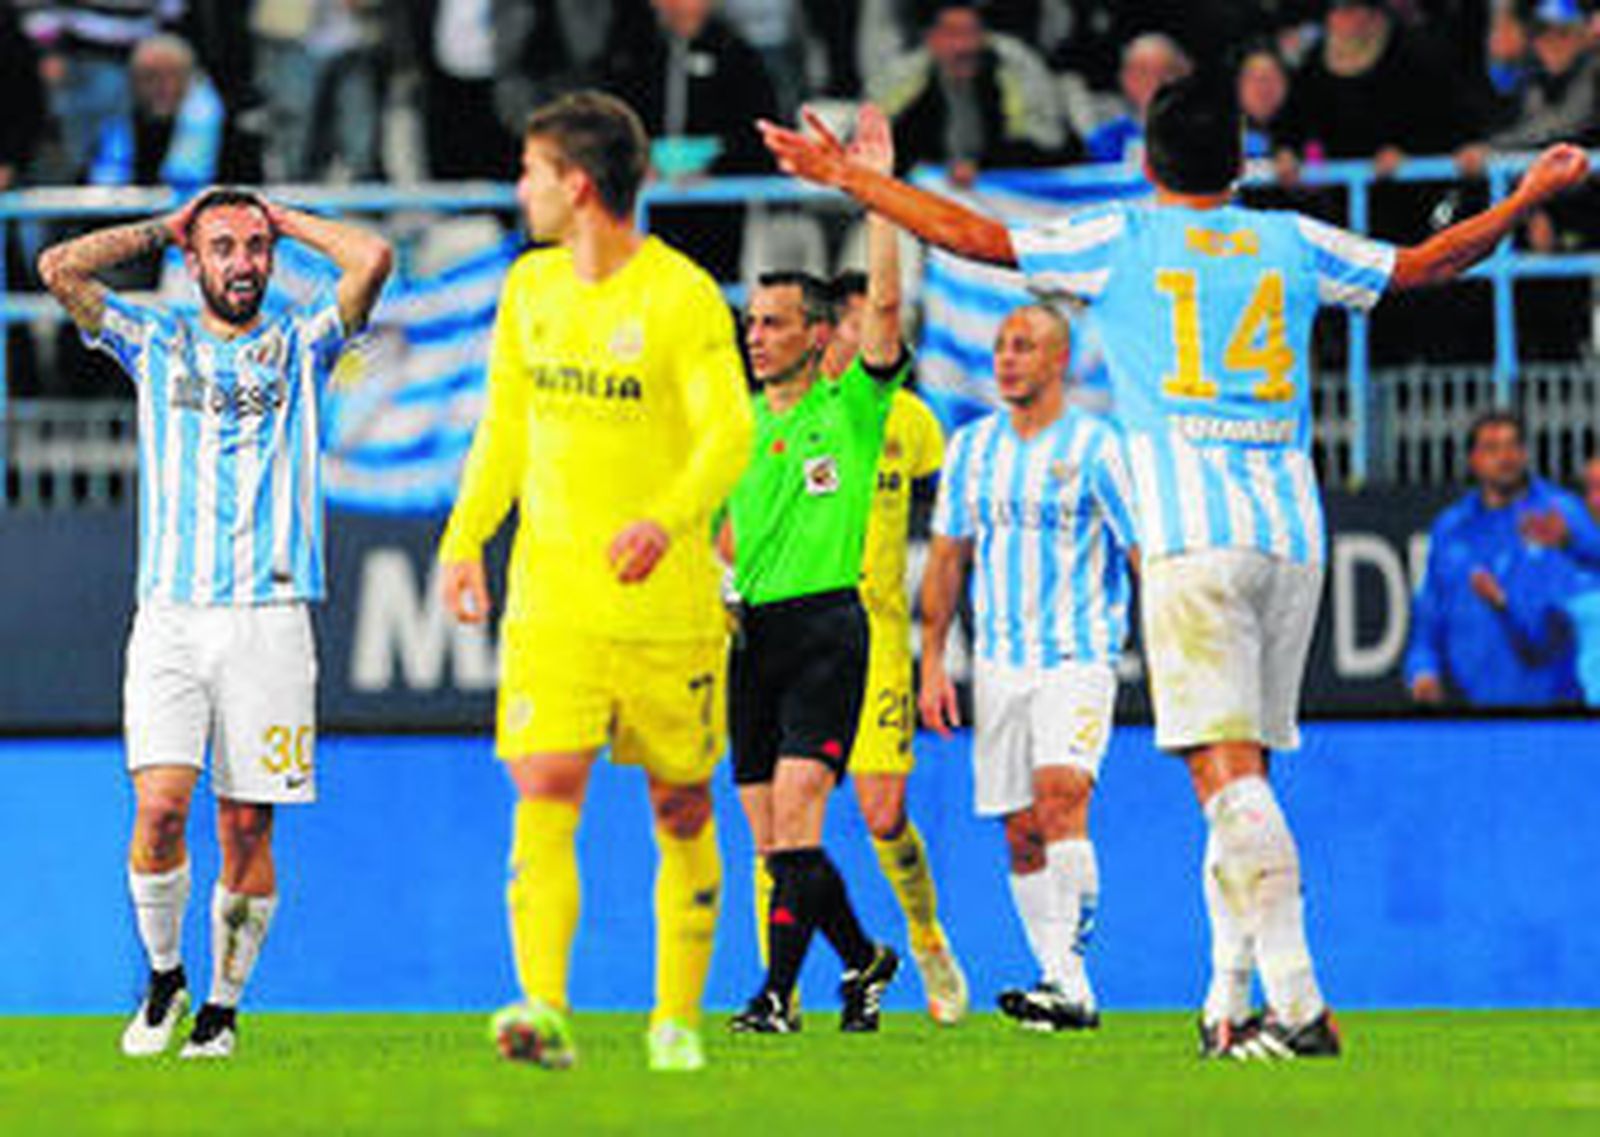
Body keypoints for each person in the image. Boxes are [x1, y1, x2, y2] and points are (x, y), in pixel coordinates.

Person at [760, 76, 1591, 1059]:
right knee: (1248, 780)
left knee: (1225, 777)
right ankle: (1226, 1003)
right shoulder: (1292, 240)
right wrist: (1527, 195)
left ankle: (1296, 999)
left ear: (1148, 164)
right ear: (1239, 163)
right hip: (1291, 537)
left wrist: (859, 185)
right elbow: (1429, 262)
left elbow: (975, 237)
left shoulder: (1125, 239)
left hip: (1193, 544)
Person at [36, 186, 393, 1058]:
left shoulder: (301, 343)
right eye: (223, 248)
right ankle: (164, 980)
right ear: (194, 262)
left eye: (255, 248)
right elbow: (57, 267)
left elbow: (374, 259)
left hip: (271, 617)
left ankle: (223, 1010)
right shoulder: (153, 340)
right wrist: (170, 223)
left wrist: (285, 216)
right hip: (170, 613)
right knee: (159, 809)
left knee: (245, 825)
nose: (243, 263)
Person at [438, 90, 753, 1073]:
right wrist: (463, 540)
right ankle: (542, 1008)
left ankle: (674, 1020)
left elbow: (730, 433)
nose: (517, 187)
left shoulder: (681, 295)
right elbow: (504, 429)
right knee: (545, 782)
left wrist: (665, 522)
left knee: (682, 807)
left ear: (576, 184)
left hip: (668, 611)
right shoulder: (528, 289)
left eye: (530, 170)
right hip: (552, 598)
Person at [724, 105, 903, 1035]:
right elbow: (715, 528)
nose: (756, 336)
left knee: (798, 816)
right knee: (774, 842)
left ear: (815, 331)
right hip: (750, 632)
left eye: (775, 322)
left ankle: (776, 997)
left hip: (828, 627)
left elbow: (887, 305)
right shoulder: (732, 426)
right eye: (751, 321)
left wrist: (871, 189)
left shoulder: (851, 409)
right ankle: (865, 959)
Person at [920, 303, 1135, 1032]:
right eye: (1002, 345)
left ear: (1061, 361)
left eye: (1025, 345)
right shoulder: (973, 448)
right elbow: (947, 556)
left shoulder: (1101, 448)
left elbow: (1141, 551)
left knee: (1061, 796)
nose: (1007, 357)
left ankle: (1067, 981)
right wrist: (932, 662)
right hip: (998, 662)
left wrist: (1173, 645)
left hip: (1079, 655)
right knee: (1020, 832)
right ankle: (1060, 983)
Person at [821, 270, 969, 1025]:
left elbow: (949, 531)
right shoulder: (791, 415)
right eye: (862, 324)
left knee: (883, 812)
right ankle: (782, 985)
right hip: (799, 638)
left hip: (876, 637)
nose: (878, 336)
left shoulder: (912, 422)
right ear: (830, 332)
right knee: (788, 819)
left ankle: (926, 937)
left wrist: (937, 646)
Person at [1405, 410, 1600, 707]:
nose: (1504, 458)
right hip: (1472, 711)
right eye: (1492, 448)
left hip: (1553, 710)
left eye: (1512, 446)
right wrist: (1422, 670)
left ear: (1525, 454)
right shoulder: (1452, 528)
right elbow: (1430, 613)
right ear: (1473, 459)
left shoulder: (1559, 512)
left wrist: (1572, 542)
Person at [872, 0, 1076, 182]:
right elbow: (877, 147)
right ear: (931, 39)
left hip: (1010, 190)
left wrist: (981, 167)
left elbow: (1047, 144)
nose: (963, 46)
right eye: (952, 34)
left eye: (971, 33)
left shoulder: (1015, 66)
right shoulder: (904, 77)